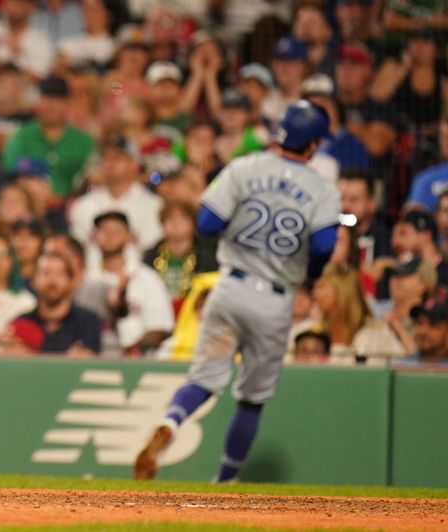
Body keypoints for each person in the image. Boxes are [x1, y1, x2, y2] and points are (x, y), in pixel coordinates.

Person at [134, 101, 340, 482]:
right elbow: (326, 244)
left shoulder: (245, 166)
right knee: (251, 399)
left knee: (203, 378)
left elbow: (208, 221)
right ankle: (225, 480)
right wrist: (306, 271)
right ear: (312, 144)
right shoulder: (321, 187)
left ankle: (170, 421)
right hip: (275, 298)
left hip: (229, 287)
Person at [88, 211, 174, 356]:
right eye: (104, 231)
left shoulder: (147, 278)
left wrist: (131, 352)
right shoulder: (87, 278)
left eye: (116, 231)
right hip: (93, 358)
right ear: (94, 237)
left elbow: (159, 329)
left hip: (140, 360)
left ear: (130, 237)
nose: (109, 236)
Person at [7, 252, 101, 355]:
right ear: (33, 280)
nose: (52, 280)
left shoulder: (88, 321)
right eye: (45, 273)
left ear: (71, 281)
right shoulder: (21, 322)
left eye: (59, 274)